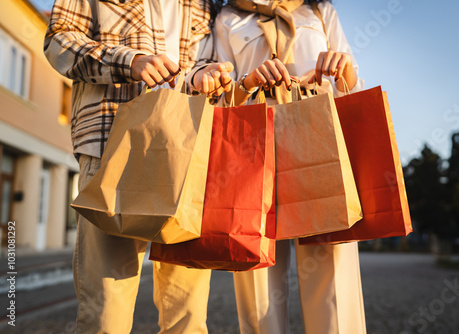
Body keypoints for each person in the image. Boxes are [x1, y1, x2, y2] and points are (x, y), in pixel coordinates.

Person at [44, 0, 232, 332]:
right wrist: (128, 61)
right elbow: (59, 41)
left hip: (185, 152)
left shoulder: (204, 5)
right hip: (111, 146)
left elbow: (200, 64)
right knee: (105, 313)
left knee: (187, 317)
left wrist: (205, 74)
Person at [190, 0, 367, 332]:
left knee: (333, 282)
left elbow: (351, 87)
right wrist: (248, 81)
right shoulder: (228, 16)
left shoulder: (319, 10)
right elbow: (219, 100)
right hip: (251, 152)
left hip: (318, 144)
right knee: (258, 291)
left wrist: (344, 70)